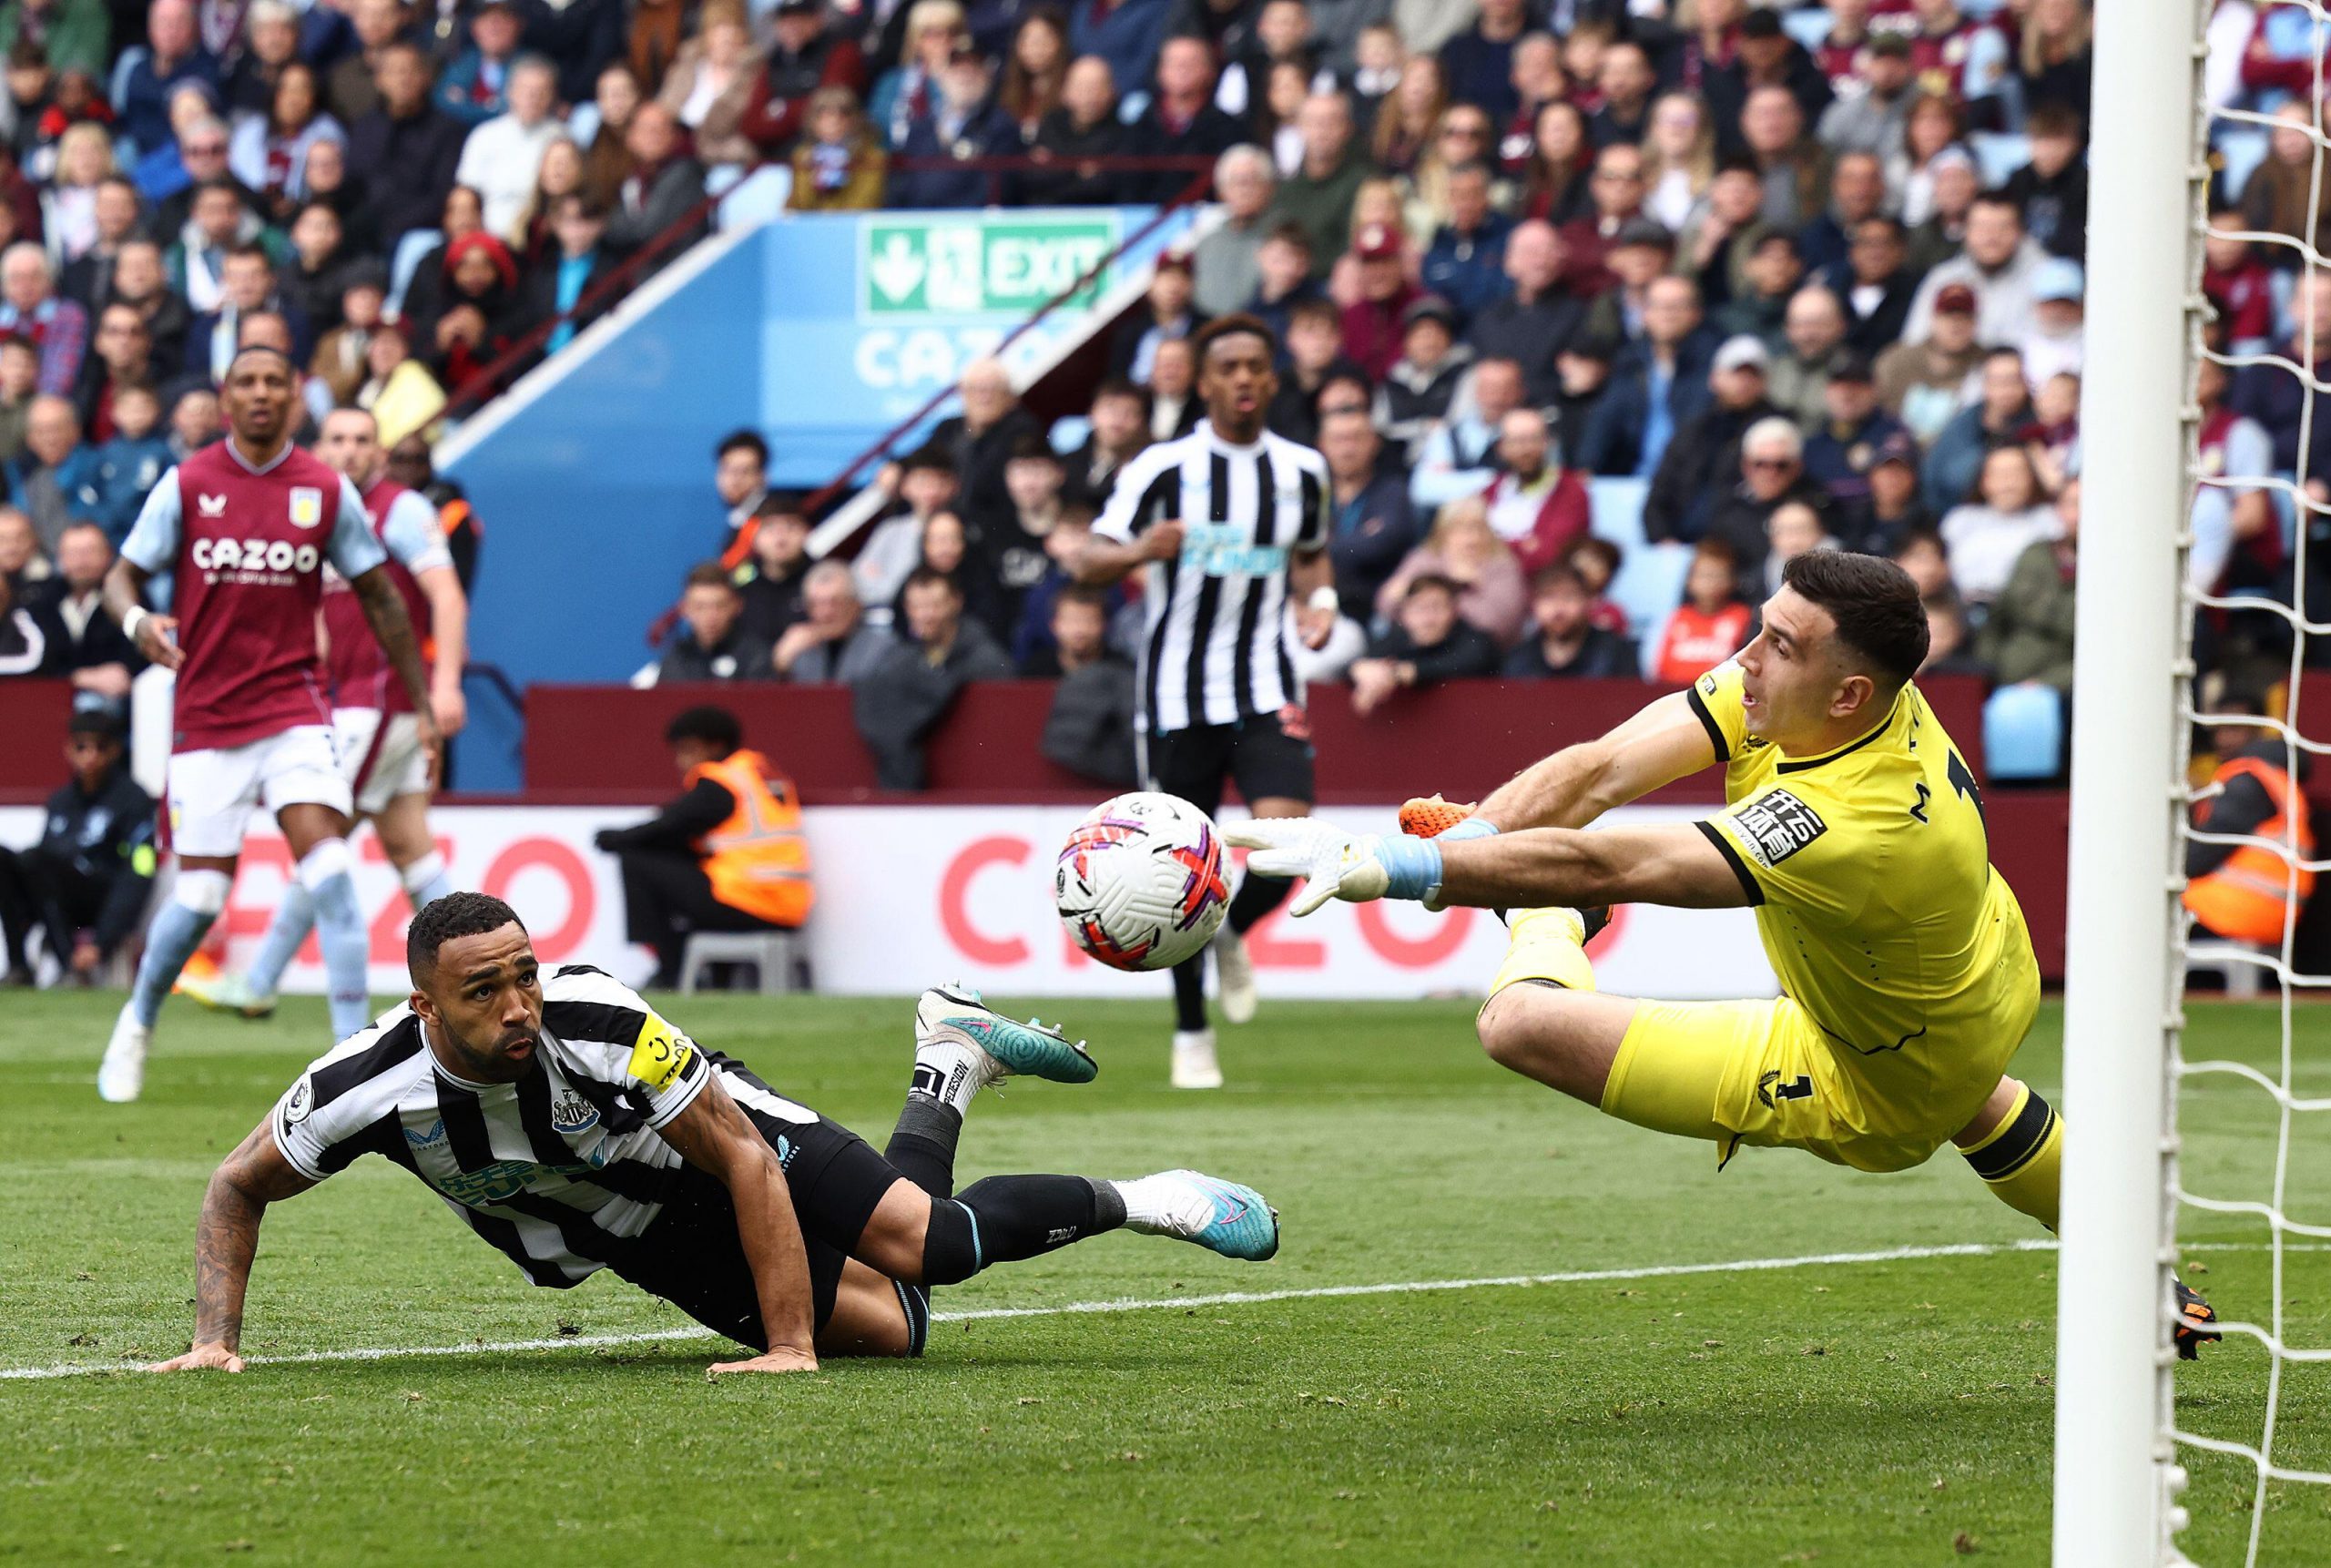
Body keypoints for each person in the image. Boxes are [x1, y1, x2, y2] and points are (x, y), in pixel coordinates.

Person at [1231, 551, 2221, 1359]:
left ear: (1848, 695)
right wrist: (1469, 844)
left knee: (1521, 1021)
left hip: (1882, 1072)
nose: (1746, 654)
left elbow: (1616, 859)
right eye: (1759, 623)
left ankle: (1552, 930)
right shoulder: (1810, 690)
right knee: (1975, 1090)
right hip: (1975, 978)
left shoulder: (1851, 821)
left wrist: (1399, 868)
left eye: (1777, 643)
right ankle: (2140, 1275)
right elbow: (1599, 770)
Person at [146, 891, 1280, 1377]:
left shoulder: (599, 1024)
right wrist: (214, 1336)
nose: (518, 1008)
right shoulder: (364, 1084)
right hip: (640, 1232)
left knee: (931, 1245)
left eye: (525, 978)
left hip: (718, 1136)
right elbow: (236, 1184)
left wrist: (786, 1349)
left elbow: (737, 1154)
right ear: (422, 1008)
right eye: (485, 993)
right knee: (900, 1331)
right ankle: (949, 1063)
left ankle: (1149, 1196)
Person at [97, 345, 436, 1101]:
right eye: (245, 382)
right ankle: (138, 1021)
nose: (259, 394)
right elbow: (119, 576)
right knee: (201, 901)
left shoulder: (323, 489)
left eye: (273, 383)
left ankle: (354, 1067)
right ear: (226, 399)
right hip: (209, 717)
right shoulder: (188, 484)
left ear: (293, 399)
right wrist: (139, 622)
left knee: (333, 872)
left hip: (295, 709)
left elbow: (382, 595)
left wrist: (420, 699)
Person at [1074, 311, 1332, 1089]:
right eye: (1229, 368)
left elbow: (1314, 559)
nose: (1245, 379)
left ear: (1273, 379)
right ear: (1205, 382)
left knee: (1293, 845)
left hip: (1265, 681)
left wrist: (1323, 608)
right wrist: (1138, 551)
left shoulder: (1303, 472)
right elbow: (1088, 559)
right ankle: (1192, 1034)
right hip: (1178, 696)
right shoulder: (1163, 468)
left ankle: (1227, 933)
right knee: (1173, 869)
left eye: (1258, 365)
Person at [180, 406, 470, 1021]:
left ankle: (260, 979)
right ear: (320, 446)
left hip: (381, 700)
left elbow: (446, 594)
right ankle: (481, 968)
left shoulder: (403, 509)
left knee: (323, 841)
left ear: (380, 454)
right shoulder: (320, 510)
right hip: (346, 699)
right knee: (408, 843)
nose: (349, 450)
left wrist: (444, 685)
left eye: (363, 440)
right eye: (337, 440)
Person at [593, 708, 809, 986]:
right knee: (681, 864)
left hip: (750, 900)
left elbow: (669, 824)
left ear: (716, 746)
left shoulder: (722, 783)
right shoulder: (759, 772)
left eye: (687, 750)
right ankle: (703, 972)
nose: (681, 761)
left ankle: (671, 971)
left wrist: (618, 839)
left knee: (635, 860)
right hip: (787, 904)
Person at [0, 708, 154, 985]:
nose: (90, 755)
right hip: (54, 897)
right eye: (82, 746)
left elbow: (139, 872)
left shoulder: (134, 800)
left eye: (101, 746)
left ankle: (70, 965)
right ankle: (18, 965)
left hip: (100, 895)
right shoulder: (60, 801)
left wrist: (103, 940)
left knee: (35, 861)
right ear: (69, 749)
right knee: (11, 860)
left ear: (115, 750)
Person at [851, 565, 1014, 789]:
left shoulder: (987, 661)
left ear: (956, 602)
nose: (925, 615)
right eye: (917, 606)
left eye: (935, 605)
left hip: (979, 786)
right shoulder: (897, 660)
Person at [2183, 689, 2316, 952]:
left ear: (2260, 729)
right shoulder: (2275, 776)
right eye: (2219, 730)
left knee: (2140, 898)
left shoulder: (2248, 782)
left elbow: (2195, 859)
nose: (2223, 739)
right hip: (2276, 914)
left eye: (2234, 729)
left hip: (2237, 909)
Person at [1348, 571, 1501, 714]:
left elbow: (1461, 663)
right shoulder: (1398, 637)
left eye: (1436, 607)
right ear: (1404, 614)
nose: (1428, 619)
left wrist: (1399, 673)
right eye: (1419, 608)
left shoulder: (1475, 640)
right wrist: (1359, 670)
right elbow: (1364, 664)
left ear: (1455, 611)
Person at [1502, 560, 1637, 679]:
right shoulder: (1518, 659)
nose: (1558, 609)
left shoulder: (1615, 653)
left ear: (1588, 601)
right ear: (1534, 604)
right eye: (1548, 598)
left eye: (1569, 597)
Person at [1653, 538, 1756, 685]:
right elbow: (1658, 668)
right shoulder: (1677, 617)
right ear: (1689, 580)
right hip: (1672, 693)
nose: (1711, 582)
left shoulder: (1743, 616)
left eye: (1718, 575)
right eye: (1704, 575)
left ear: (1732, 580)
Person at [776, 560, 893, 684]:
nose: (825, 613)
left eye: (835, 602)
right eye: (815, 604)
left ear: (855, 605)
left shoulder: (883, 650)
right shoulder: (801, 649)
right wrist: (780, 664)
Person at [659, 561, 773, 684]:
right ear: (685, 610)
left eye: (720, 606)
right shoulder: (676, 659)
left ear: (737, 606)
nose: (711, 616)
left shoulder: (756, 656)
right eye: (700, 607)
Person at [708, 427, 769, 566]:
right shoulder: (738, 519)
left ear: (763, 476)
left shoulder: (767, 522)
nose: (735, 480)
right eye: (728, 470)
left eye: (744, 471)